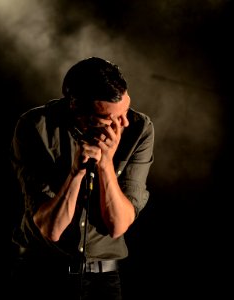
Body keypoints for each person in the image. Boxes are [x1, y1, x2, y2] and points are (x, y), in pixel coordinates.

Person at [9, 56, 154, 300]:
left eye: (125, 111)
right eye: (110, 118)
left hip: (102, 281)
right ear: (76, 108)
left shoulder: (139, 129)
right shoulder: (36, 127)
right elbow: (51, 229)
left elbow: (118, 225)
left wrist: (106, 164)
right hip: (40, 274)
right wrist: (76, 172)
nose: (124, 123)